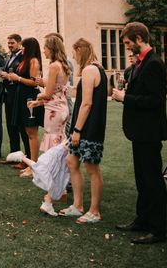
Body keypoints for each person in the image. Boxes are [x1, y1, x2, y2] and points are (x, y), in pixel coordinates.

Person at [112, 22, 167, 245]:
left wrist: (125, 98)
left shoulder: (154, 64)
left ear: (138, 38)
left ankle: (158, 230)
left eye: (127, 43)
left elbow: (156, 100)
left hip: (150, 132)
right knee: (142, 178)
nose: (126, 47)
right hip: (139, 131)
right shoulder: (140, 63)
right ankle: (142, 219)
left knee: (153, 180)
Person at [57, 38, 107, 222]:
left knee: (92, 168)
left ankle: (94, 211)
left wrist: (77, 130)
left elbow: (87, 103)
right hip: (84, 125)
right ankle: (77, 206)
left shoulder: (89, 70)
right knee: (72, 161)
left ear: (80, 50)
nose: (75, 57)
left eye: (75, 52)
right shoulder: (96, 68)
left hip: (89, 127)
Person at [1, 37, 42, 178]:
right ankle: (30, 164)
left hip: (29, 97)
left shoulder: (34, 61)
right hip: (21, 96)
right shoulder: (25, 60)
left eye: (24, 47)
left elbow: (33, 82)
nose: (22, 49)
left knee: (31, 132)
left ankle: (34, 166)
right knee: (26, 130)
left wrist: (16, 78)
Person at [32, 35, 71, 153]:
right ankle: (61, 169)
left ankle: (53, 170)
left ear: (52, 49)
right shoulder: (63, 65)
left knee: (52, 140)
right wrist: (38, 103)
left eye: (45, 48)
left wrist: (39, 96)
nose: (43, 50)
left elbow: (48, 94)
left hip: (54, 110)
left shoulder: (54, 66)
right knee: (60, 138)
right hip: (62, 106)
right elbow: (56, 90)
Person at [0, 34, 27, 163]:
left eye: (12, 43)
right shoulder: (8, 56)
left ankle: (27, 157)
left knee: (22, 127)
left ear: (19, 43)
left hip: (18, 95)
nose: (10, 45)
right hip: (8, 96)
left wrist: (9, 75)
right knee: (11, 126)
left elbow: (22, 75)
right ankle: (13, 155)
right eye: (9, 43)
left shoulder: (24, 57)